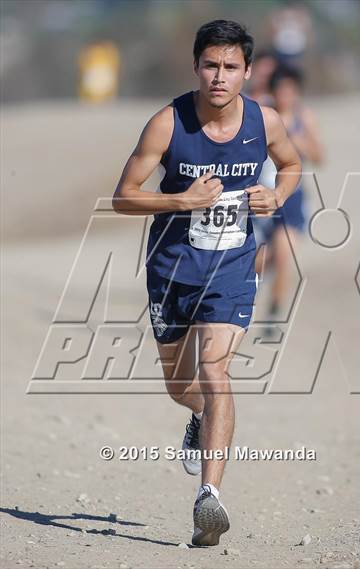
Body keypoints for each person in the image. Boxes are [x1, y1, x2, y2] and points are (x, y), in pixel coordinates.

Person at [112, 20, 301, 546]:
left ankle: (208, 500)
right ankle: (199, 415)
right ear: (196, 67)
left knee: (216, 371)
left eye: (231, 67)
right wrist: (179, 200)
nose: (220, 77)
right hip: (172, 268)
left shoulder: (266, 121)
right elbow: (124, 196)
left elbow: (290, 165)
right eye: (211, 66)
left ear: (247, 72)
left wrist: (278, 196)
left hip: (234, 267)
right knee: (181, 386)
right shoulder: (166, 124)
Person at [254, 63, 323, 334]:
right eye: (281, 88)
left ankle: (273, 311)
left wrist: (299, 140)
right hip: (259, 198)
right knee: (258, 260)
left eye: (291, 89)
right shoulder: (261, 112)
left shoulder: (302, 117)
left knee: (285, 252)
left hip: (291, 199)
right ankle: (242, 298)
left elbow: (319, 156)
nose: (286, 94)